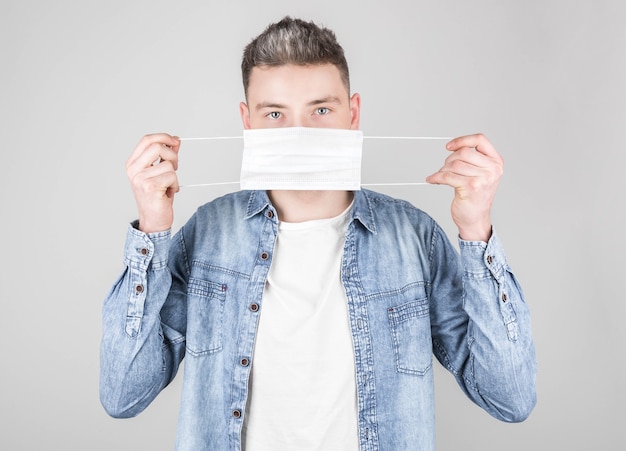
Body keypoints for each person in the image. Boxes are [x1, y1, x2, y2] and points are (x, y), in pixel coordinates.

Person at [100, 16, 536, 451]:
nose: (299, 133)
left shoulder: (414, 238)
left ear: (353, 114)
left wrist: (476, 229)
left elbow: (509, 398)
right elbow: (123, 396)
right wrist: (152, 230)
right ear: (247, 122)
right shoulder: (207, 234)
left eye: (321, 110)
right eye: (275, 113)